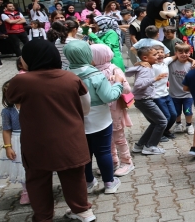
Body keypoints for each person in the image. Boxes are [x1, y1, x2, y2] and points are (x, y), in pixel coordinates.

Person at [6, 40, 94, 222]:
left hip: (38, 141)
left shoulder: (22, 81)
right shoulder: (71, 78)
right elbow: (85, 107)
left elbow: (11, 99)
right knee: (74, 176)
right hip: (72, 138)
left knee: (38, 180)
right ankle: (83, 211)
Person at [64, 41, 123, 194]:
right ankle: (109, 183)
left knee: (84, 153)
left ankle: (88, 181)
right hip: (100, 119)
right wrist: (117, 84)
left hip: (74, 119)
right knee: (103, 151)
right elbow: (109, 97)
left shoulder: (64, 74)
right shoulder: (95, 75)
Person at [91, 44, 135, 177]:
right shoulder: (92, 70)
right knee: (107, 139)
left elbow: (127, 90)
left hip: (114, 110)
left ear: (99, 57)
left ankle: (127, 162)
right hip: (101, 111)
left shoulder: (114, 69)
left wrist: (116, 82)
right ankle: (113, 162)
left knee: (119, 138)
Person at [126, 46, 170, 155]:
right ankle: (150, 146)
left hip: (143, 100)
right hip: (145, 100)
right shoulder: (146, 69)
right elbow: (138, 85)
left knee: (155, 123)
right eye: (154, 55)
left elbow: (127, 71)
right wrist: (155, 79)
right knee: (162, 122)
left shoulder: (146, 66)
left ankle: (140, 145)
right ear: (145, 58)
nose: (158, 56)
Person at [0, 80, 29, 205]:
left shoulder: (32, 106)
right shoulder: (8, 111)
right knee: (21, 167)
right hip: (17, 140)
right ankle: (26, 191)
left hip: (32, 138)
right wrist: (8, 147)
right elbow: (6, 130)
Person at [169, 44, 195, 135]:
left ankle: (189, 125)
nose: (184, 54)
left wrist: (192, 60)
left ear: (190, 53)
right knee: (177, 111)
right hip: (174, 93)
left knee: (188, 110)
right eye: (181, 52)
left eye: (186, 52)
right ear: (176, 53)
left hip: (188, 94)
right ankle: (178, 124)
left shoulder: (192, 65)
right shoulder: (171, 64)